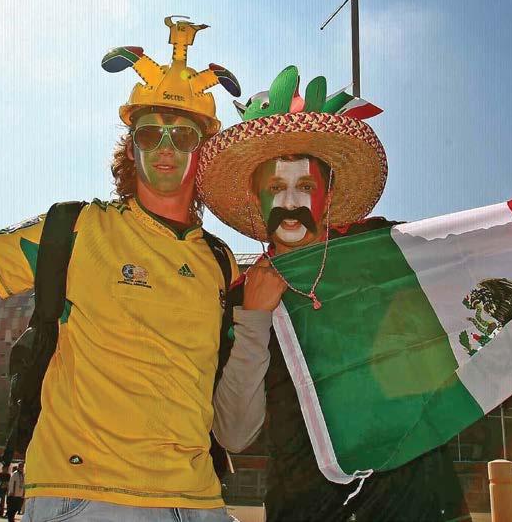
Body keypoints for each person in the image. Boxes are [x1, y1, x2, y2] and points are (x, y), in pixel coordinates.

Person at [0, 18, 241, 520]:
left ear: (204, 151)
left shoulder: (220, 262)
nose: (165, 147)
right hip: (86, 496)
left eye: (183, 136)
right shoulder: (76, 229)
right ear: (131, 146)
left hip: (200, 501)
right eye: (150, 133)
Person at [198, 66, 470, 522]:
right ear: (255, 198)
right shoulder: (240, 298)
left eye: (306, 186)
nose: (290, 203)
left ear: (329, 194)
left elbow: (473, 263)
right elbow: (235, 434)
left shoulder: (381, 248)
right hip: (307, 508)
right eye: (275, 188)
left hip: (422, 502)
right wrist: (255, 319)